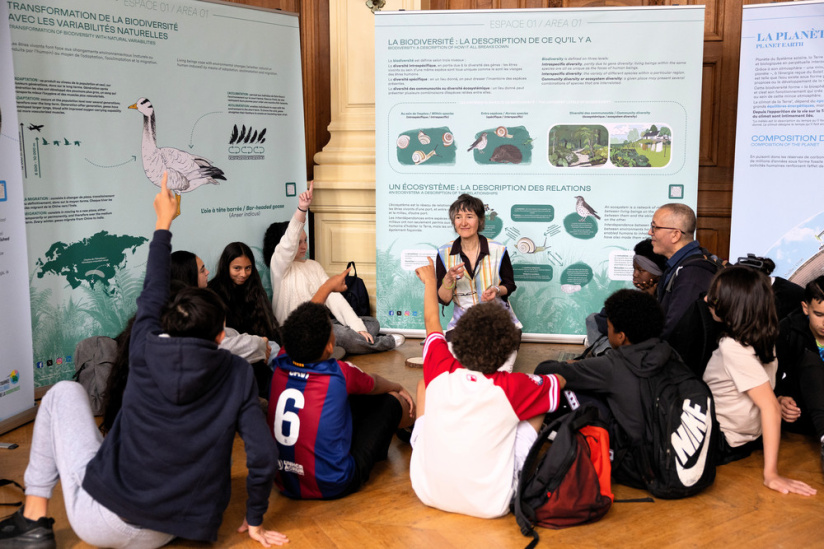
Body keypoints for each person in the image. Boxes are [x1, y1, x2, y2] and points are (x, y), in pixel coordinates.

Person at [0, 173, 287, 548]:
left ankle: (33, 518)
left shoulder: (144, 346)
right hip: (174, 528)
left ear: (168, 321)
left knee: (62, 394)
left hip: (103, 519)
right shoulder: (236, 372)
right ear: (221, 336)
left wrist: (163, 221)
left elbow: (152, 289)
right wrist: (255, 519)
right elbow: (262, 455)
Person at [408, 257, 564, 519]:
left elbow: (431, 320)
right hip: (493, 503)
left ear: (457, 343)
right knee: (540, 400)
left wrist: (430, 281)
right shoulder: (514, 386)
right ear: (507, 351)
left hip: (426, 490)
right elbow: (556, 384)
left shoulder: (440, 368)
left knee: (425, 386)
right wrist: (562, 376)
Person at [267, 275, 415, 500]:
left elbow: (303, 321)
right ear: (329, 346)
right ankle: (410, 427)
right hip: (334, 483)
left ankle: (386, 441)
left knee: (350, 399)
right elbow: (375, 383)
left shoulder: (281, 360)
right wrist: (398, 386)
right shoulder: (338, 374)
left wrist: (327, 287)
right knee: (391, 400)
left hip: (284, 482)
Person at [702, 266, 815, 496]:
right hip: (739, 439)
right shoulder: (762, 337)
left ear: (736, 305)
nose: (706, 299)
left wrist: (771, 475)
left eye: (714, 297)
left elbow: (766, 404)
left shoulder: (733, 346)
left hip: (727, 442)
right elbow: (761, 394)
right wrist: (777, 399)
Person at [264, 182, 403, 355]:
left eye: (305, 241)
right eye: (298, 242)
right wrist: (302, 209)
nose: (303, 246)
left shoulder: (313, 266)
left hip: (322, 324)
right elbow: (288, 241)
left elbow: (335, 299)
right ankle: (384, 342)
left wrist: (359, 327)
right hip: (295, 332)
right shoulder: (279, 267)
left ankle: (356, 339)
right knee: (345, 335)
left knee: (371, 323)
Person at [535, 289, 675, 451]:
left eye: (608, 327)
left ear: (621, 336)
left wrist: (573, 365)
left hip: (630, 460)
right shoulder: (669, 353)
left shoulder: (614, 364)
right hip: (667, 449)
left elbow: (543, 370)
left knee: (564, 387)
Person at [436, 193, 520, 341]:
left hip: (499, 322)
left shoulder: (498, 250)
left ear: (480, 220)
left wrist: (497, 290)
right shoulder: (444, 253)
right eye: (458, 217)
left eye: (469, 216)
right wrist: (448, 280)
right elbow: (444, 299)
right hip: (462, 325)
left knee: (500, 365)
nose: (463, 223)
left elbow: (510, 285)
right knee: (460, 364)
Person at [208, 241, 279, 395]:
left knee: (277, 350)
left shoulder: (253, 285)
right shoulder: (214, 292)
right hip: (238, 349)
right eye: (237, 268)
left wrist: (263, 345)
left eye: (248, 268)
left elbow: (267, 324)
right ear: (226, 267)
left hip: (262, 344)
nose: (243, 274)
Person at [775, 275, 824, 475]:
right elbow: (769, 379)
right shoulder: (786, 331)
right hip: (802, 416)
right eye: (819, 314)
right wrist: (778, 399)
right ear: (805, 308)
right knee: (810, 361)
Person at [648, 203, 719, 339]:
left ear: (675, 235)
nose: (650, 232)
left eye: (655, 227)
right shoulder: (679, 266)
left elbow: (677, 330)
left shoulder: (693, 274)